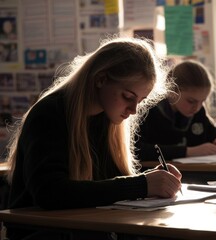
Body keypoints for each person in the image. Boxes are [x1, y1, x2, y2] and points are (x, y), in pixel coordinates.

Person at [4, 37, 182, 240]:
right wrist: (141, 185)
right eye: (128, 97)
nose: (133, 110)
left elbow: (106, 185)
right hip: (42, 233)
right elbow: (50, 193)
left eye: (140, 101)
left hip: (82, 228)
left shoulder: (105, 119)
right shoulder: (49, 113)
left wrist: (150, 181)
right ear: (100, 79)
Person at [135, 60, 216, 161]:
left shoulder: (198, 111)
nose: (197, 108)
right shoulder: (148, 110)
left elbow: (212, 136)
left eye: (202, 101)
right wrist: (188, 152)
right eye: (191, 101)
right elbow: (137, 150)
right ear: (172, 91)